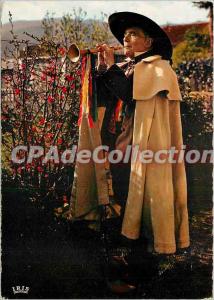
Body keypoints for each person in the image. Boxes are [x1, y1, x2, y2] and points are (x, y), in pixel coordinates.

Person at [95, 12, 190, 293]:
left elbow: (130, 94)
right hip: (122, 145)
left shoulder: (159, 70)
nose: (126, 38)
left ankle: (140, 275)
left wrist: (112, 69)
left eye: (133, 34)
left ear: (149, 41)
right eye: (125, 35)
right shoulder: (129, 66)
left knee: (144, 203)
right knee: (126, 202)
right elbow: (110, 98)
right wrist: (104, 70)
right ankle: (130, 266)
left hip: (144, 148)